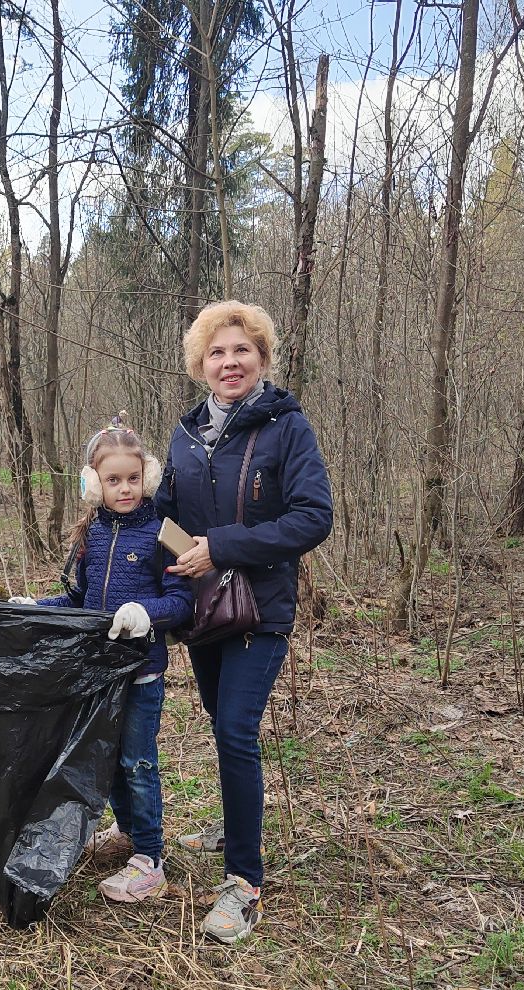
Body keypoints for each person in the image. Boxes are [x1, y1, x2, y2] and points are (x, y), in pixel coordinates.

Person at [154, 300, 332, 944]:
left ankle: (243, 882)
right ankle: (237, 822)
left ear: (262, 358)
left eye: (242, 351)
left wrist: (222, 547)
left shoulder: (287, 428)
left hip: (259, 608)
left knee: (234, 729)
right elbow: (166, 518)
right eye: (217, 353)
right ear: (200, 365)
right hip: (203, 610)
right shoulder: (183, 435)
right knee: (218, 720)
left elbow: (313, 518)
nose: (230, 363)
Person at [9, 419, 192, 904]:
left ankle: (150, 858)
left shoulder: (163, 533)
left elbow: (181, 601)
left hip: (140, 673)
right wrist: (37, 607)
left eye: (133, 478)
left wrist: (144, 612)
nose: (125, 488)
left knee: (136, 762)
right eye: (113, 480)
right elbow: (78, 598)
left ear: (147, 477)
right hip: (96, 674)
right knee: (106, 762)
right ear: (94, 483)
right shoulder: (90, 534)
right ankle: (130, 832)